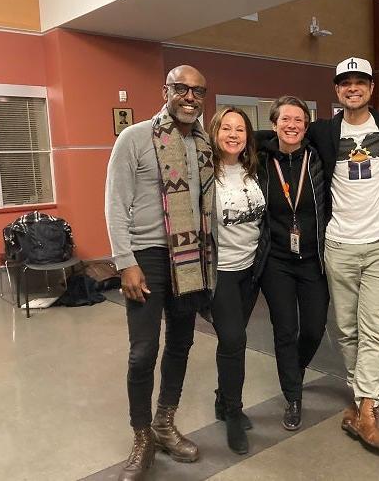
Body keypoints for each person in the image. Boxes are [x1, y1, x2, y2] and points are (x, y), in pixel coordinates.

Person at [105, 65, 212, 481]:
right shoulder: (134, 139)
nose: (189, 96)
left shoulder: (204, 143)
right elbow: (115, 203)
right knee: (143, 351)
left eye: (198, 91)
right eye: (181, 88)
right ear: (165, 90)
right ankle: (141, 435)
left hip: (190, 258)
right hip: (147, 257)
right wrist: (124, 261)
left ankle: (165, 423)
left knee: (182, 343)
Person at [305, 57, 379, 454]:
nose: (353, 88)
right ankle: (362, 395)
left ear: (371, 88)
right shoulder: (323, 131)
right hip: (340, 246)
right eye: (345, 83)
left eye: (360, 82)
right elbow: (282, 135)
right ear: (337, 90)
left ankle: (367, 410)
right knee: (346, 329)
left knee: (374, 331)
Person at [256, 95, 328, 431]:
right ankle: (293, 396)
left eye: (298, 120)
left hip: (313, 258)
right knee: (285, 330)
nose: (291, 125)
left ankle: (294, 368)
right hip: (277, 261)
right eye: (285, 119)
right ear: (273, 124)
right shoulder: (260, 159)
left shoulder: (317, 157)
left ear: (306, 125)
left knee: (313, 328)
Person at [208, 107, 265, 455]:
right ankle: (233, 411)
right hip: (222, 273)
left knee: (231, 343)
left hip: (251, 271)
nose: (233, 135)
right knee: (234, 340)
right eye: (226, 128)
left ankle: (221, 397)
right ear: (214, 133)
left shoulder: (252, 170)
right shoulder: (205, 174)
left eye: (240, 129)